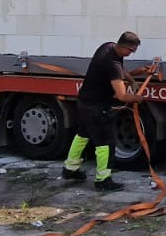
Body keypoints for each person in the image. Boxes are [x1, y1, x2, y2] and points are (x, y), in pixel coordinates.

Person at [62, 31, 152, 191]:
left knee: (82, 135)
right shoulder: (112, 63)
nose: (131, 54)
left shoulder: (108, 47)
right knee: (106, 143)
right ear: (124, 47)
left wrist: (132, 80)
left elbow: (121, 70)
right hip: (97, 107)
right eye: (131, 51)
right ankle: (103, 180)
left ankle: (70, 168)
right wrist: (139, 99)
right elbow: (122, 95)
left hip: (84, 102)